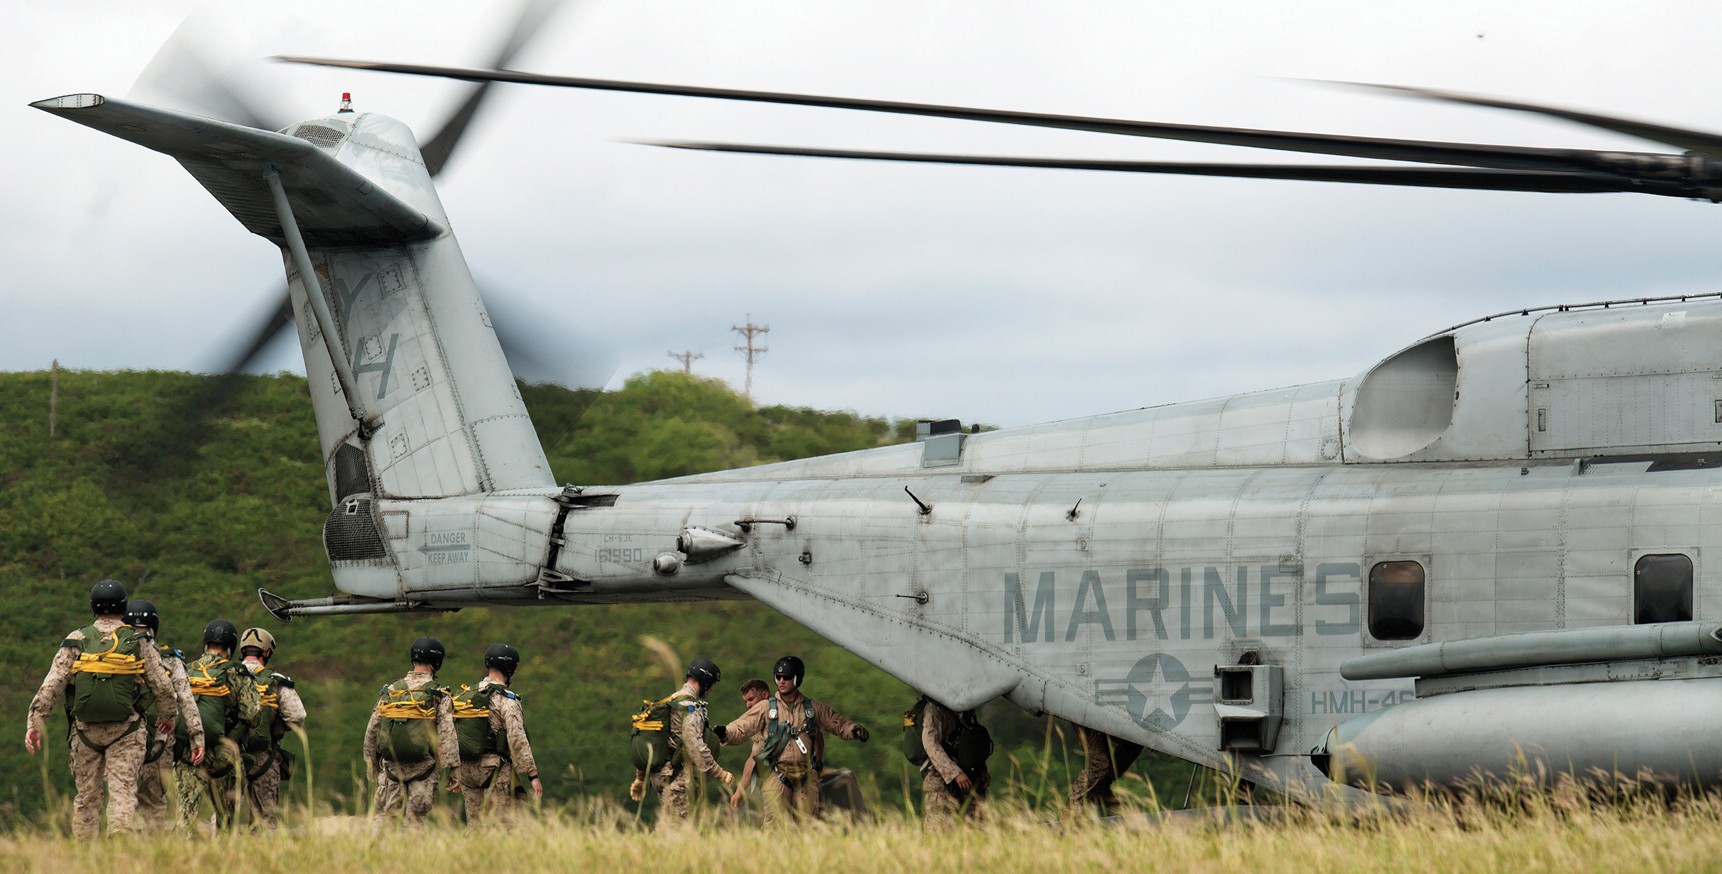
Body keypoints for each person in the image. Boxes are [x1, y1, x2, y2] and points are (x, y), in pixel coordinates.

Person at [24, 580, 183, 839]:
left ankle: (85, 851)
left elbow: (52, 684)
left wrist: (35, 722)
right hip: (127, 731)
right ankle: (119, 836)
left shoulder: (77, 639)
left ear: (93, 606)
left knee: (87, 797)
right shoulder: (138, 640)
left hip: (85, 733)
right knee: (122, 791)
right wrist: (168, 716)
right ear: (123, 606)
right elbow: (162, 686)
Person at [717, 655, 868, 824]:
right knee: (775, 826)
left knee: (808, 826)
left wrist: (853, 730)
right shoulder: (766, 708)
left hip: (806, 776)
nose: (781, 681)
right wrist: (725, 733)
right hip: (776, 775)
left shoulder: (812, 709)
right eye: (778, 677)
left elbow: (834, 721)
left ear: (797, 678)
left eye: (786, 677)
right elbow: (742, 726)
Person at [123, 599, 205, 834]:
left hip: (121, 739)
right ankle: (151, 856)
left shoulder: (113, 655)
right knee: (154, 802)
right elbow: (186, 700)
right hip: (160, 741)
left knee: (123, 800)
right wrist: (197, 736)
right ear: (154, 627)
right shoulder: (170, 659)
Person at [364, 636, 459, 830]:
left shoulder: (390, 691)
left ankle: (373, 856)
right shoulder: (439, 695)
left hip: (391, 769)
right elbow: (447, 733)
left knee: (384, 819)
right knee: (414, 822)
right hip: (424, 770)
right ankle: (409, 859)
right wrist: (454, 769)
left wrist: (371, 763)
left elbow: (372, 729)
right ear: (436, 663)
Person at [630, 658, 734, 829]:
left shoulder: (670, 701)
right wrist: (720, 773)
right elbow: (694, 745)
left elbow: (651, 739)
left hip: (664, 777)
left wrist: (640, 778)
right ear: (705, 682)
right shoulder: (690, 707)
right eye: (712, 684)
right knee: (680, 834)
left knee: (670, 829)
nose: (712, 689)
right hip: (678, 779)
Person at [177, 618, 260, 831]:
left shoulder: (187, 669)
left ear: (206, 644)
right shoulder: (237, 674)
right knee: (226, 819)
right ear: (230, 648)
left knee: (185, 816)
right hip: (225, 756)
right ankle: (223, 856)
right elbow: (251, 714)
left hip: (191, 754)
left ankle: (179, 856)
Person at [451, 643, 542, 828]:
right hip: (494, 770)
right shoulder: (507, 700)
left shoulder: (466, 695)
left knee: (475, 826)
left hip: (466, 770)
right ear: (509, 668)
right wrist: (533, 776)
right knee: (503, 826)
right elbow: (517, 739)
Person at [238, 627, 306, 828]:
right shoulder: (276, 680)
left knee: (223, 814)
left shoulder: (228, 674)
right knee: (265, 819)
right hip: (264, 757)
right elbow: (297, 715)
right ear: (266, 652)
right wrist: (277, 726)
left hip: (230, 754)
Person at [918, 699, 989, 828]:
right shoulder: (934, 708)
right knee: (939, 834)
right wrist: (955, 773)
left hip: (968, 779)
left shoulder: (965, 707)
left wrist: (981, 769)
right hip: (940, 782)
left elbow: (971, 739)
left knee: (975, 830)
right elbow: (930, 743)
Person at [1069, 724, 1144, 816]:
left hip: (1103, 719)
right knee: (1099, 763)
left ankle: (1102, 786)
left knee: (1136, 742)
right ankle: (1070, 809)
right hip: (1088, 718)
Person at [727, 678, 769, 811]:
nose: (748, 705)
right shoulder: (760, 726)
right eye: (746, 701)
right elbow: (753, 760)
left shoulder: (783, 711)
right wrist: (739, 792)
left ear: (765, 695)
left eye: (751, 699)